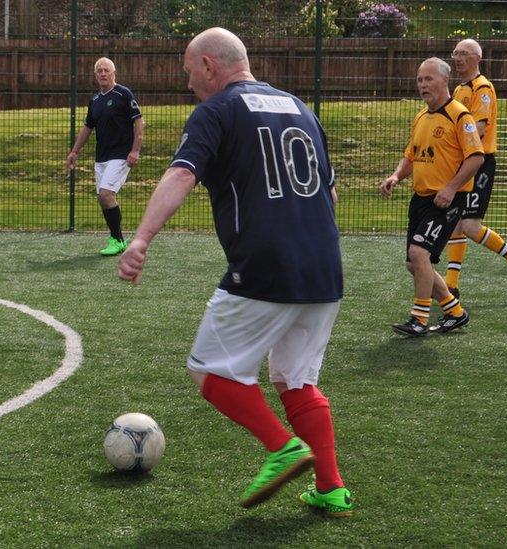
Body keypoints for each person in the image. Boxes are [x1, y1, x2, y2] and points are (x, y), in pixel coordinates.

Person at [118, 28, 353, 516]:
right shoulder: (300, 107)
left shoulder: (217, 111)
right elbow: (329, 194)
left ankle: (282, 446)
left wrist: (140, 239)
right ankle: (331, 487)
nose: (188, 85)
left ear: (209, 65)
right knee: (295, 380)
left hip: (267, 264)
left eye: (188, 73)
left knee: (209, 369)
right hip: (325, 266)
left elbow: (182, 173)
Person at [379, 57, 485, 336]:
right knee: (413, 264)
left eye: (428, 79)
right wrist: (395, 176)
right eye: (419, 80)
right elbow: (411, 155)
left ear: (444, 80)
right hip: (421, 199)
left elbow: (476, 158)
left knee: (419, 253)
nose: (423, 85)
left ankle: (419, 318)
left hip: (447, 200)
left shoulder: (460, 115)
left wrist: (450, 188)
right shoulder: (420, 117)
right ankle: (454, 311)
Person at [443, 39, 507, 304]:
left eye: (463, 54)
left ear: (476, 58)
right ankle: (452, 286)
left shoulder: (482, 88)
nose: (457, 58)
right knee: (456, 222)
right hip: (463, 161)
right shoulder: (460, 88)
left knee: (469, 226)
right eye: (455, 53)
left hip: (479, 162)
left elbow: (479, 129)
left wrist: (454, 145)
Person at [67, 57, 145, 256]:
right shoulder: (95, 101)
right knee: (104, 198)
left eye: (106, 70)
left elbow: (139, 122)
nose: (103, 73)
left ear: (114, 73)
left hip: (121, 155)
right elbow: (87, 128)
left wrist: (135, 150)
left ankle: (117, 240)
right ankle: (117, 238)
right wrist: (74, 151)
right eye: (99, 71)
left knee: (105, 194)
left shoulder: (123, 94)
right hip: (102, 156)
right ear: (95, 75)